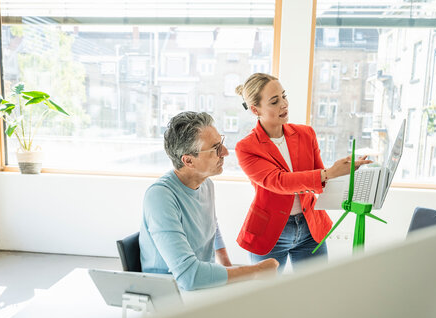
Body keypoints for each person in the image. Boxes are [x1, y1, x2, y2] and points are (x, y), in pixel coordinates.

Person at [235, 73, 371, 272]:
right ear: (255, 109)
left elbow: (321, 179)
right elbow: (279, 182)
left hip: (310, 228)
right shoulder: (246, 147)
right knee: (266, 298)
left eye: (284, 96)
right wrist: (328, 173)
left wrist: (346, 170)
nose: (284, 104)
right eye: (274, 101)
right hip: (271, 233)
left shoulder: (306, 134)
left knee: (315, 292)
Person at [139, 111, 279, 291]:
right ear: (188, 160)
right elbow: (189, 277)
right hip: (171, 291)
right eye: (215, 148)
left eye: (221, 143)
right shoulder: (160, 197)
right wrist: (255, 271)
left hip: (202, 284)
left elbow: (211, 225)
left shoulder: (206, 185)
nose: (225, 152)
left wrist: (227, 264)